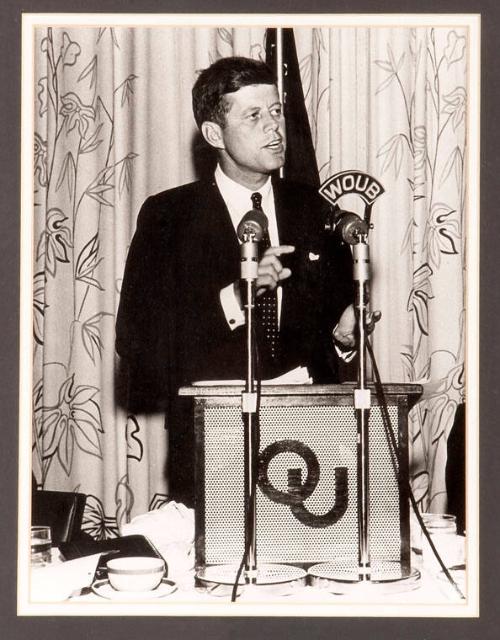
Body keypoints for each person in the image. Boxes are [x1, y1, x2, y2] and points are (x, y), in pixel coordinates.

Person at [116, 56, 363, 507]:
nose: (274, 128)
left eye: (276, 112)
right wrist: (234, 300)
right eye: (254, 115)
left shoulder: (313, 209)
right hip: (215, 438)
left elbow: (327, 327)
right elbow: (136, 342)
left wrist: (343, 336)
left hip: (315, 435)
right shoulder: (168, 217)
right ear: (215, 134)